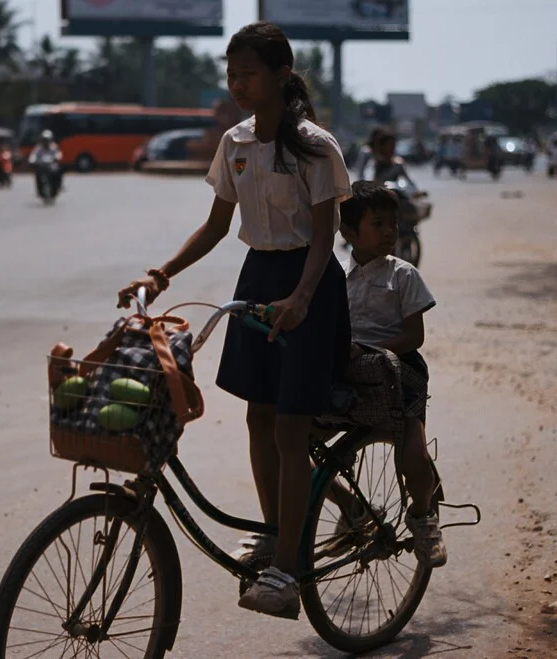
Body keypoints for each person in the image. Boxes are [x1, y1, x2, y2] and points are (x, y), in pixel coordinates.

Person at [117, 21, 352, 620]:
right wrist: (160, 274)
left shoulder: (317, 147)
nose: (237, 83)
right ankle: (277, 530)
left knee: (291, 429)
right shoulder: (235, 143)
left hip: (310, 285)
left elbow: (324, 241)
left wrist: (301, 298)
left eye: (247, 73)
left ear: (279, 75)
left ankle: (289, 572)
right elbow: (217, 226)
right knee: (259, 417)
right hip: (259, 278)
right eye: (231, 73)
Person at [337, 180, 447, 568]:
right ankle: (351, 508)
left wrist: (373, 351)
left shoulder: (403, 275)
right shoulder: (335, 278)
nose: (389, 231)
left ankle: (423, 516)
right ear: (348, 233)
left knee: (413, 454)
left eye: (392, 223)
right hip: (348, 371)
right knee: (295, 444)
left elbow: (413, 336)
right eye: (378, 223)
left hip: (399, 373)